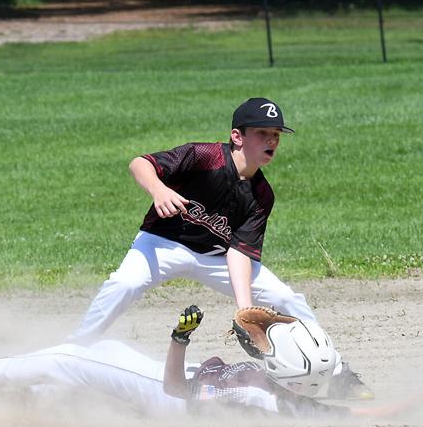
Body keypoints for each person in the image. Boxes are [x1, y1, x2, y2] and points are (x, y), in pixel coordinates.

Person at [68, 97, 373, 400]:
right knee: (125, 283)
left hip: (215, 256)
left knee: (285, 297)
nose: (272, 141)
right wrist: (158, 189)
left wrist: (245, 310)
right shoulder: (204, 156)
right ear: (237, 136)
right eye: (263, 133)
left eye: (276, 135)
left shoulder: (261, 196)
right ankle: (72, 352)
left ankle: (335, 372)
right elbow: (140, 163)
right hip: (163, 243)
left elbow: (239, 252)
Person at [0, 306, 423, 420]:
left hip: (165, 394)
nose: (264, 346)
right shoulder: (298, 401)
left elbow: (174, 390)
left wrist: (179, 339)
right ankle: (4, 393)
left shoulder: (250, 396)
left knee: (74, 359)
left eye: (271, 352)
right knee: (89, 365)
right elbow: (366, 415)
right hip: (174, 390)